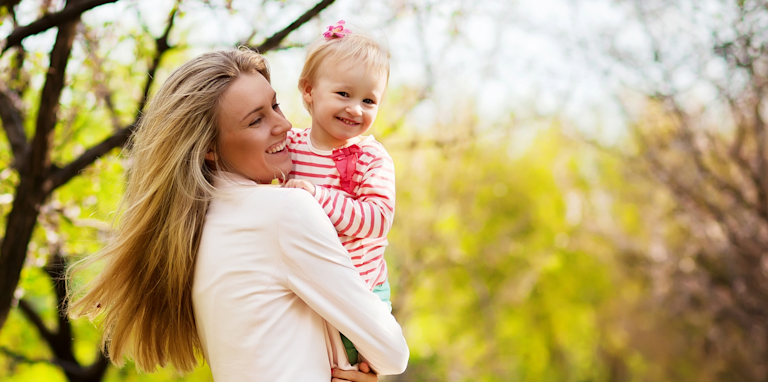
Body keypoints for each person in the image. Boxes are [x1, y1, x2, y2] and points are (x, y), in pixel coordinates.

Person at [66, 49, 409, 382]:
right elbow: (392, 354)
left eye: (275, 105)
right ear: (209, 148)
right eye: (256, 120)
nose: (285, 124)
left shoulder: (197, 226)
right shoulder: (285, 211)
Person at [282, 20, 395, 369]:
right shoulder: (289, 146)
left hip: (360, 288)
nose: (356, 109)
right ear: (309, 91)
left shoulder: (370, 157)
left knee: (351, 366)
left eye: (369, 100)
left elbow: (378, 219)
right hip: (309, 287)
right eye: (344, 94)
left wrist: (318, 196)